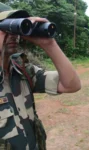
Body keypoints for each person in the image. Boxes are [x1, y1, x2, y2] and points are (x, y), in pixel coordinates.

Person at [0, 3, 81, 150]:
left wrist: (49, 44)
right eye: (5, 28)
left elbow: (71, 85)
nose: (12, 34)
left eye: (13, 28)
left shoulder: (21, 69)